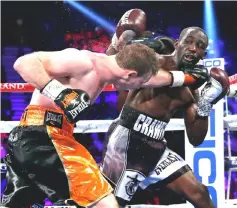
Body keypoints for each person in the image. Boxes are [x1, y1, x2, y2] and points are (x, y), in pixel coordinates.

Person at [1, 9, 209, 208]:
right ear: (130, 77)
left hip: (37, 136)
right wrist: (60, 94)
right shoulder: (84, 62)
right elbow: (23, 63)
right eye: (140, 84)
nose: (139, 88)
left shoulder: (111, 67)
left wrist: (196, 82)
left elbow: (158, 77)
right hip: (46, 137)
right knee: (106, 203)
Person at [101, 26, 230, 208]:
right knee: (110, 204)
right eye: (189, 41)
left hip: (156, 146)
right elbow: (113, 71)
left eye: (199, 46)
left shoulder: (193, 90)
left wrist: (206, 105)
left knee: (200, 193)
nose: (193, 48)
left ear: (204, 54)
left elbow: (196, 138)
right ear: (178, 43)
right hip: (126, 141)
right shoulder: (155, 61)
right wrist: (119, 42)